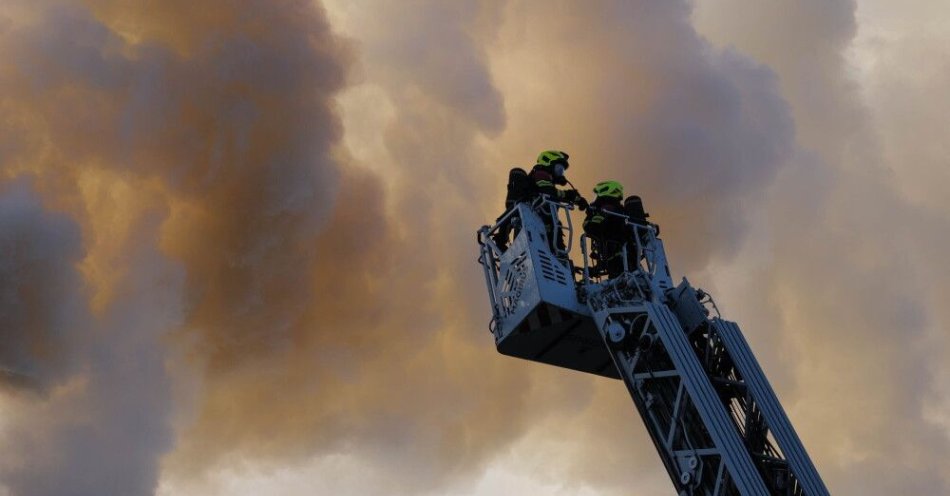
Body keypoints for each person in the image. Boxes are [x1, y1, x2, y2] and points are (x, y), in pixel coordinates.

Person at [529, 150, 587, 252]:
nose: (560, 173)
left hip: (545, 221)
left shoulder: (546, 178)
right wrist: (570, 195)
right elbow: (548, 191)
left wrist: (578, 200)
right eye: (559, 168)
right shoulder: (541, 174)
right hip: (538, 219)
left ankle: (559, 253)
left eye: (562, 170)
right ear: (548, 162)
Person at [583, 180, 630, 279]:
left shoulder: (606, 209)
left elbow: (591, 227)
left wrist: (592, 215)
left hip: (614, 256)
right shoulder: (620, 211)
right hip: (620, 256)